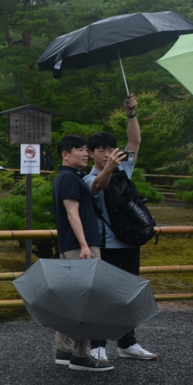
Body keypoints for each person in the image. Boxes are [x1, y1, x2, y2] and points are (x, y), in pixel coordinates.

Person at [85, 95, 157, 362]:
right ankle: (98, 344)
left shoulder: (123, 168)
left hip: (130, 241)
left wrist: (131, 113)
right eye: (100, 150)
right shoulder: (88, 178)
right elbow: (98, 188)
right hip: (107, 246)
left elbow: (135, 142)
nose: (106, 153)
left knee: (129, 295)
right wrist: (110, 168)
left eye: (109, 149)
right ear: (91, 153)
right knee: (103, 296)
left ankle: (128, 343)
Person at [51, 135, 112, 372]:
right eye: (79, 149)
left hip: (72, 245)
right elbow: (72, 214)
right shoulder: (69, 178)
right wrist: (85, 245)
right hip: (80, 246)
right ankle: (81, 355)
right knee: (87, 300)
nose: (85, 153)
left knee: (72, 299)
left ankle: (64, 350)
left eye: (86, 149)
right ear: (65, 154)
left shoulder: (68, 177)